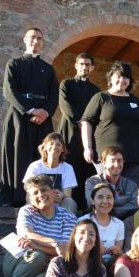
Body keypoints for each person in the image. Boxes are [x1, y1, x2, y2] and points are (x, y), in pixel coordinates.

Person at [1, 27, 59, 207]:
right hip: (20, 118)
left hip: (43, 120)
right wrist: (31, 110)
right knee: (19, 155)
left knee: (42, 157)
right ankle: (18, 198)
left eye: (40, 38)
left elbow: (54, 96)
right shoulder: (14, 64)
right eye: (33, 37)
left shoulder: (48, 69)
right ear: (25, 40)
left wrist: (44, 112)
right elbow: (9, 91)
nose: (36, 41)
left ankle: (43, 197)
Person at [81, 61, 139, 186]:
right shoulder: (101, 97)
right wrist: (88, 148)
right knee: (106, 192)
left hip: (133, 157)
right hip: (107, 157)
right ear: (111, 77)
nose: (122, 80)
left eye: (126, 77)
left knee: (130, 194)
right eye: (118, 76)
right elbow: (86, 122)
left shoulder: (134, 100)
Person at [58, 52, 100, 208]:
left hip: (88, 135)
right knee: (69, 164)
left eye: (88, 64)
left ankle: (84, 205)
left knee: (86, 166)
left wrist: (89, 125)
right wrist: (81, 122)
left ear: (92, 68)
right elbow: (65, 106)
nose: (84, 67)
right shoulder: (66, 84)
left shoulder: (96, 91)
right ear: (76, 65)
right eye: (81, 64)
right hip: (69, 131)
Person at [22, 132, 78, 214]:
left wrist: (61, 196)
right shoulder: (35, 166)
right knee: (28, 206)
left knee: (69, 202)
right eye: (51, 144)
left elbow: (67, 195)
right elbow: (29, 196)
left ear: (63, 149)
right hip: (40, 201)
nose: (54, 147)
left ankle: (67, 225)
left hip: (59, 203)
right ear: (44, 147)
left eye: (58, 144)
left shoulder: (68, 168)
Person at [81, 183, 124, 277]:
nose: (105, 201)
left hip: (111, 265)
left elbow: (119, 250)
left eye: (109, 197)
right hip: (89, 262)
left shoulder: (119, 224)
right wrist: (94, 250)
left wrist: (117, 251)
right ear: (92, 200)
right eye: (100, 197)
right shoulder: (83, 221)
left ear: (113, 200)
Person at [84, 147, 139, 219]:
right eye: (112, 161)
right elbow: (91, 204)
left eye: (119, 161)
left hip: (125, 221)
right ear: (103, 162)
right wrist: (123, 202)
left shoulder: (131, 185)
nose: (116, 165)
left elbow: (136, 205)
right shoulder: (92, 181)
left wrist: (112, 209)